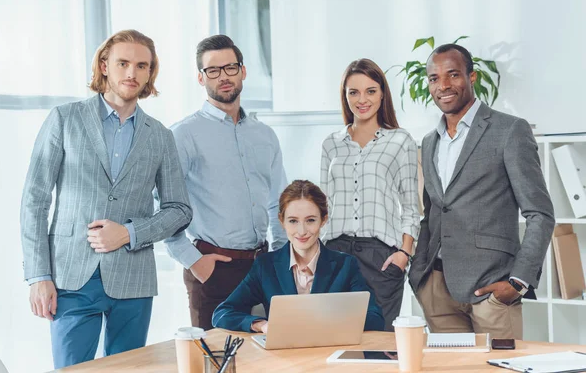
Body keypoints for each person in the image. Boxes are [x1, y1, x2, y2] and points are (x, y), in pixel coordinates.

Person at [20, 30, 192, 368]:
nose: (132, 73)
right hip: (70, 277)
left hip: (133, 279)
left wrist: (129, 232)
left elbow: (179, 209)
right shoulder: (64, 119)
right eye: (123, 63)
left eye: (142, 66)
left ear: (150, 73)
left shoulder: (160, 135)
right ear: (104, 66)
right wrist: (39, 276)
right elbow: (35, 200)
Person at [408, 43, 555, 339]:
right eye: (434, 78)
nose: (444, 85)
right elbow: (433, 212)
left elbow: (540, 212)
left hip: (492, 289)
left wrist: (518, 282)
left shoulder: (509, 130)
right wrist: (419, 275)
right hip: (437, 288)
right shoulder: (429, 141)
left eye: (453, 74)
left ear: (471, 77)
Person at [166, 34, 288, 331]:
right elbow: (163, 209)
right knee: (215, 361)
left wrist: (282, 257)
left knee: (264, 358)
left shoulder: (265, 135)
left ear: (243, 71)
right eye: (213, 70)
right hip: (212, 268)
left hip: (262, 266)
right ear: (200, 77)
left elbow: (278, 202)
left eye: (230, 68)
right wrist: (193, 261)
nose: (223, 76)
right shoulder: (183, 135)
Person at [321, 58, 420, 331]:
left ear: (382, 94)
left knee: (380, 345)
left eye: (371, 91)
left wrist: (403, 254)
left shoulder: (401, 141)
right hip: (334, 253)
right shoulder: (331, 143)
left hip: (381, 258)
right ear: (345, 96)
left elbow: (412, 206)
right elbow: (322, 207)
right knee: (336, 340)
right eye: (353, 92)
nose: (362, 99)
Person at [212, 180, 384, 332]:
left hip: (329, 355)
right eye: (293, 221)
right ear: (282, 221)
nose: (302, 231)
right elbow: (222, 314)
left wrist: (331, 321)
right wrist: (261, 325)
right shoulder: (265, 266)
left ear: (323, 220)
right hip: (284, 359)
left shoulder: (345, 265)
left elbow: (375, 318)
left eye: (310, 220)